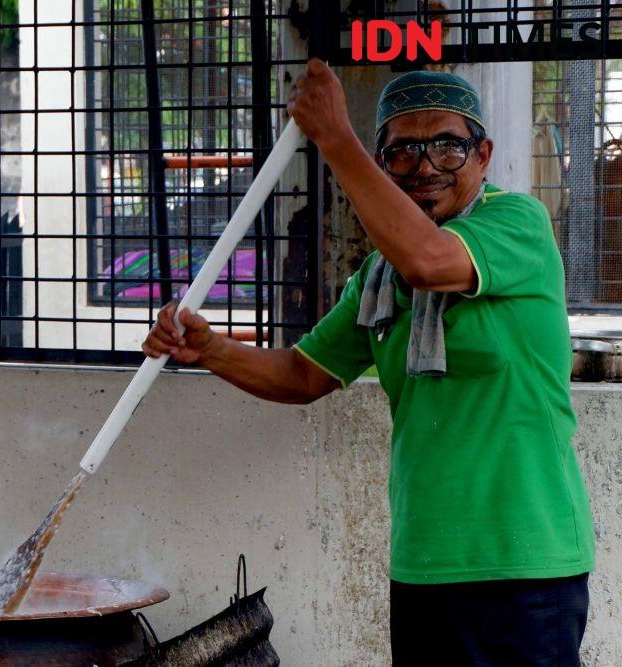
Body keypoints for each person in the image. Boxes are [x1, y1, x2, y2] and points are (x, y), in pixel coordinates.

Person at [142, 60, 595, 665]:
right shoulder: (377, 282)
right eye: (402, 152)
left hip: (527, 567)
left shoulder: (518, 225)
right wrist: (210, 350)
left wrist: (336, 137)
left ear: (483, 155)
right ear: (384, 166)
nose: (425, 167)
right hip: (426, 564)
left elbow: (430, 262)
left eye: (448, 147)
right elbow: (304, 375)